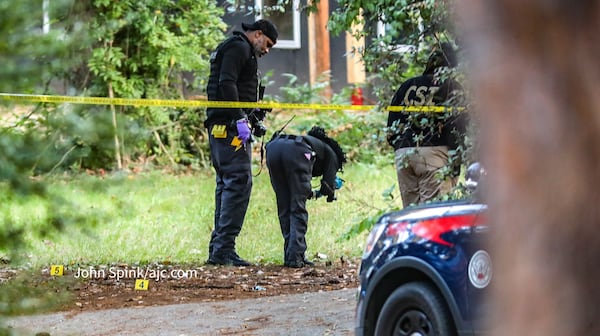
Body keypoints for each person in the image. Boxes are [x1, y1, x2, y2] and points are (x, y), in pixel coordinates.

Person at [204, 19, 278, 266]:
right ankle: (224, 249)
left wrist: (251, 114)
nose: (267, 50)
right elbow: (226, 83)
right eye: (267, 44)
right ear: (258, 34)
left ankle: (219, 248)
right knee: (238, 183)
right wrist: (239, 118)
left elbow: (232, 84)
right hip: (229, 129)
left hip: (222, 127)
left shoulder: (236, 48)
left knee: (226, 185)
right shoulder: (239, 48)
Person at [386, 42, 466, 207]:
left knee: (411, 216)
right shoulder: (452, 88)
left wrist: (402, 145)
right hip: (435, 154)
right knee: (433, 215)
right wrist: (454, 166)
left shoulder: (408, 85)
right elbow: (460, 130)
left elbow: (391, 128)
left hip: (404, 154)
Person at [265, 126, 347, 268]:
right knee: (298, 209)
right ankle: (295, 257)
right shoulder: (331, 153)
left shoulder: (311, 142)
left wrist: (312, 192)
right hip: (298, 152)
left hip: (273, 148)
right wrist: (329, 191)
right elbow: (328, 186)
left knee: (284, 207)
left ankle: (291, 254)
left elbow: (300, 186)